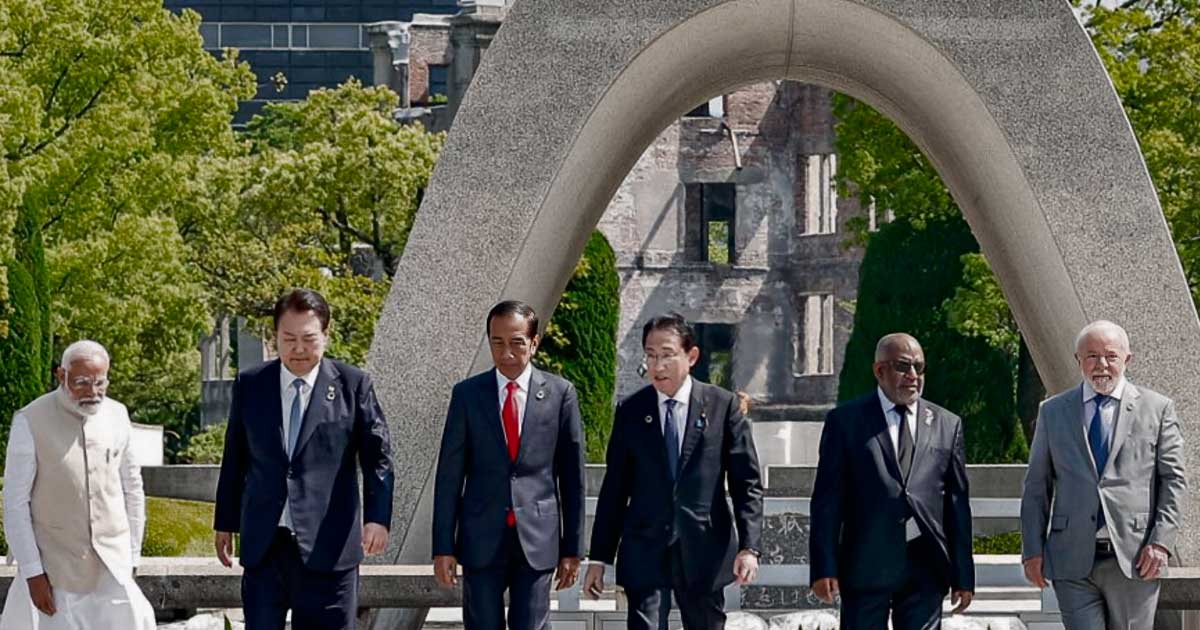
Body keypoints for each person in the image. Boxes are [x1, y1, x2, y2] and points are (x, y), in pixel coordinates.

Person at [214, 288, 394, 630]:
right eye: (289, 339)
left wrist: (378, 518)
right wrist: (225, 521)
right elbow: (235, 457)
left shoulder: (353, 385)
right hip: (266, 545)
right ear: (275, 337)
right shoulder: (251, 384)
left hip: (330, 546)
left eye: (308, 339)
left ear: (326, 335)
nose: (298, 349)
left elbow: (378, 457)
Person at [585, 313, 764, 630]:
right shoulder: (631, 411)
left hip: (704, 548)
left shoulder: (722, 407)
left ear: (691, 356)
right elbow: (615, 489)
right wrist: (599, 557)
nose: (658, 366)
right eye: (651, 356)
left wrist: (750, 548)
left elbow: (746, 483)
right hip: (645, 548)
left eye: (667, 355)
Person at [1020, 320, 1186, 629]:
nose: (1102, 365)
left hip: (1135, 558)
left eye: (1111, 355)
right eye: (1092, 356)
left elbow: (1174, 481)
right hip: (1071, 560)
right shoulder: (1053, 411)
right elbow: (1036, 486)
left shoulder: (1158, 409)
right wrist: (1031, 548)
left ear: (1127, 359)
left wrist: (1161, 543)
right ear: (1078, 360)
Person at [432, 299, 585, 630]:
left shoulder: (561, 394)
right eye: (497, 342)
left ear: (534, 342)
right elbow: (449, 476)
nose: (506, 352)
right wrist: (443, 547)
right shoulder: (468, 395)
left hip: (538, 539)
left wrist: (573, 549)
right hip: (481, 537)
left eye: (516, 342)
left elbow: (572, 479)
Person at [809, 333, 974, 629]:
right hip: (865, 564)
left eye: (919, 368)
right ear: (879, 370)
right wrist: (824, 567)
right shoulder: (846, 422)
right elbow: (827, 501)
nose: (913, 376)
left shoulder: (947, 424)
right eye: (903, 366)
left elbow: (957, 506)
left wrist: (963, 575)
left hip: (926, 565)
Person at [1, 340, 155, 630]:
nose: (92, 392)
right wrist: (34, 574)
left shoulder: (118, 415)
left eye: (100, 383)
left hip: (113, 566)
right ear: (62, 375)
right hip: (55, 570)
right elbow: (14, 503)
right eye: (82, 382)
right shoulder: (29, 420)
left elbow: (132, 488)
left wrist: (132, 556)